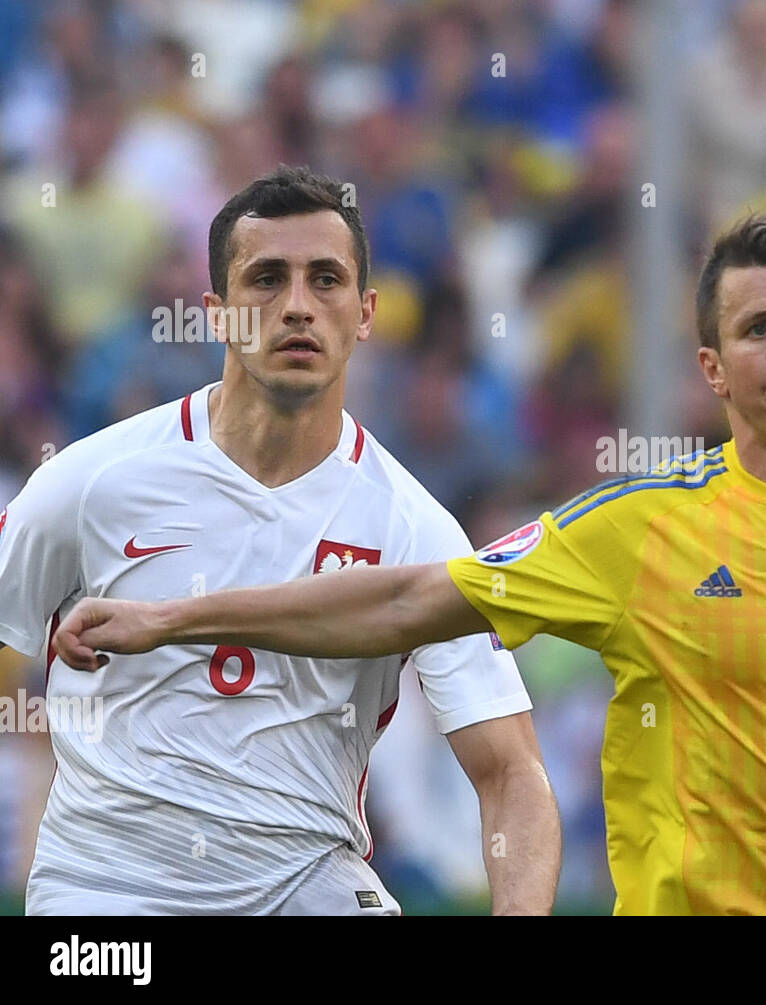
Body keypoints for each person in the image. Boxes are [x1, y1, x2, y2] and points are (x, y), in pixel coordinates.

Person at [54, 210, 766, 915]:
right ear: (712, 367)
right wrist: (175, 620)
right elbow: (407, 600)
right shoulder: (633, 527)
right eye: (758, 330)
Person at [0, 166, 560, 915]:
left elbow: (512, 773)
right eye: (266, 279)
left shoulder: (414, 527)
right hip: (109, 888)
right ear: (217, 313)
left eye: (324, 279)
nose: (297, 306)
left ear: (365, 314)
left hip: (304, 880)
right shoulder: (92, 480)